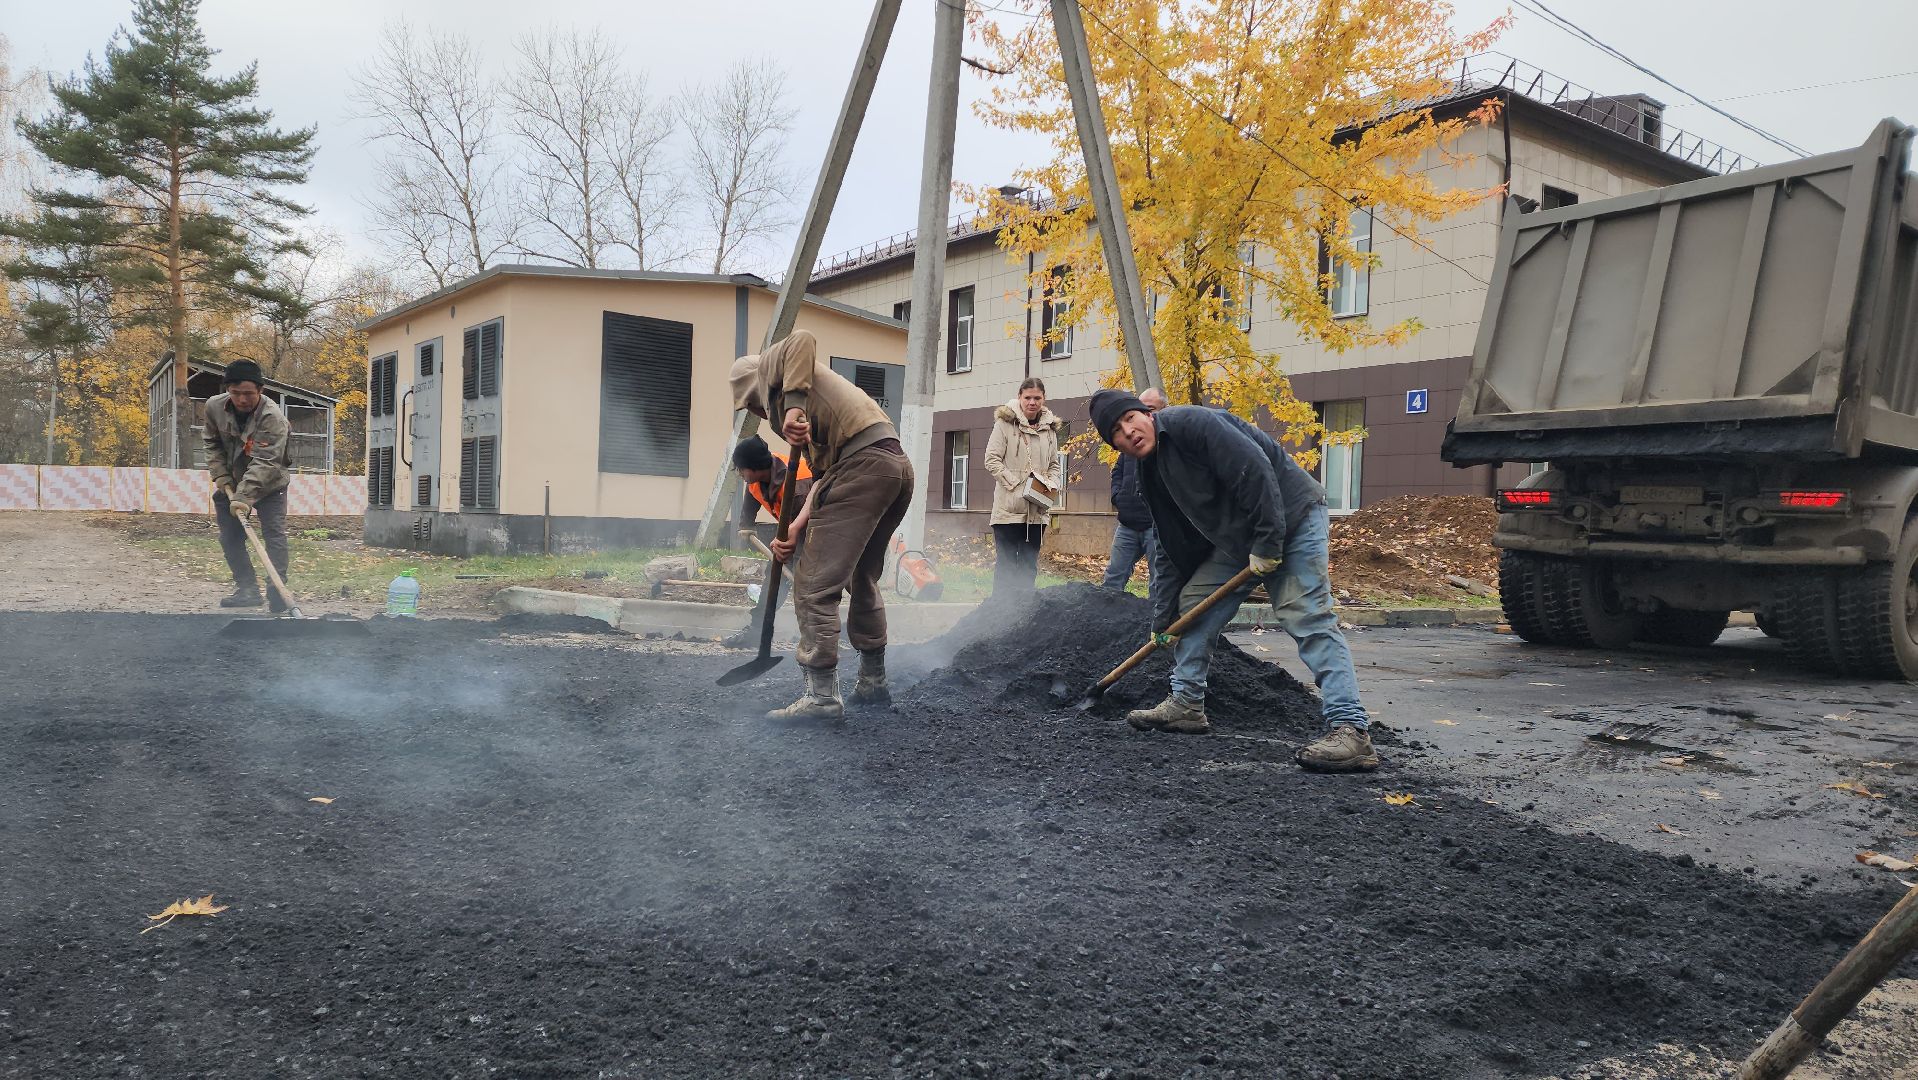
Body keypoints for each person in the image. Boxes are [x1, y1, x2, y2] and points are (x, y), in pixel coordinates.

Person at [1088, 387, 1378, 772]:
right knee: (1192, 608)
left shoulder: (1194, 423)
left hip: (1292, 518)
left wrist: (1268, 543)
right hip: (1240, 539)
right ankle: (1187, 705)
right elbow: (1170, 548)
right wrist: (1164, 625)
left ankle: (1351, 730)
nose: (1129, 432)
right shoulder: (1149, 473)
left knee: (1305, 616)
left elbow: (1255, 472)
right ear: (1116, 446)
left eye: (1130, 419)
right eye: (1118, 433)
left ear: (1146, 413)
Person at [729, 329, 914, 721]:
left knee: (813, 585)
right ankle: (873, 679)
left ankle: (822, 698)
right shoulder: (814, 412)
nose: (761, 413)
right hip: (891, 467)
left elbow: (804, 337)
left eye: (754, 403)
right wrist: (795, 528)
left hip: (863, 467)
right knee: (861, 577)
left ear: (760, 386)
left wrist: (792, 406)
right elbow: (823, 481)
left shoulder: (787, 379)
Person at [201, 359, 292, 613]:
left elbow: (266, 462)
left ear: (260, 391)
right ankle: (247, 589)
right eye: (236, 393)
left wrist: (243, 496)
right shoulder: (213, 407)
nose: (242, 400)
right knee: (230, 536)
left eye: (249, 394)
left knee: (274, 534)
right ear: (228, 390)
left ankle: (277, 589)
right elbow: (211, 443)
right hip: (231, 482)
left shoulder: (272, 418)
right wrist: (221, 477)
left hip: (270, 483)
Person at [728, 435, 814, 648]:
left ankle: (822, 635)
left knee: (808, 582)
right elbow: (752, 493)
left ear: (755, 467)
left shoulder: (797, 486)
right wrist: (746, 524)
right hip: (792, 527)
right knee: (775, 577)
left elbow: (804, 529)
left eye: (741, 469)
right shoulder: (762, 472)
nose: (740, 474)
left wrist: (795, 564)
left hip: (818, 530)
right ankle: (758, 631)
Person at [983, 377, 1063, 599]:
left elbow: (1055, 465)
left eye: (1037, 398)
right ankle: (999, 615)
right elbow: (991, 460)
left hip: (1037, 512)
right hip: (1008, 511)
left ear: (1043, 399)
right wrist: (1017, 485)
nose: (1032, 402)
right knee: (1007, 567)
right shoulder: (1005, 424)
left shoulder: (1049, 429)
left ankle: (1024, 615)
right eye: (1027, 397)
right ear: (1019, 397)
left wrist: (1051, 484)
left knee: (1028, 567)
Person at [1101, 387, 1165, 591]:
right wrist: (1117, 496)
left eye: (1150, 409)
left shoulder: (1169, 447)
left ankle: (1156, 621)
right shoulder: (1131, 443)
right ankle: (1105, 618)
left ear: (1162, 410)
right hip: (1127, 524)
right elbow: (1118, 471)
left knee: (1159, 582)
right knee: (1113, 578)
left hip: (1156, 527)